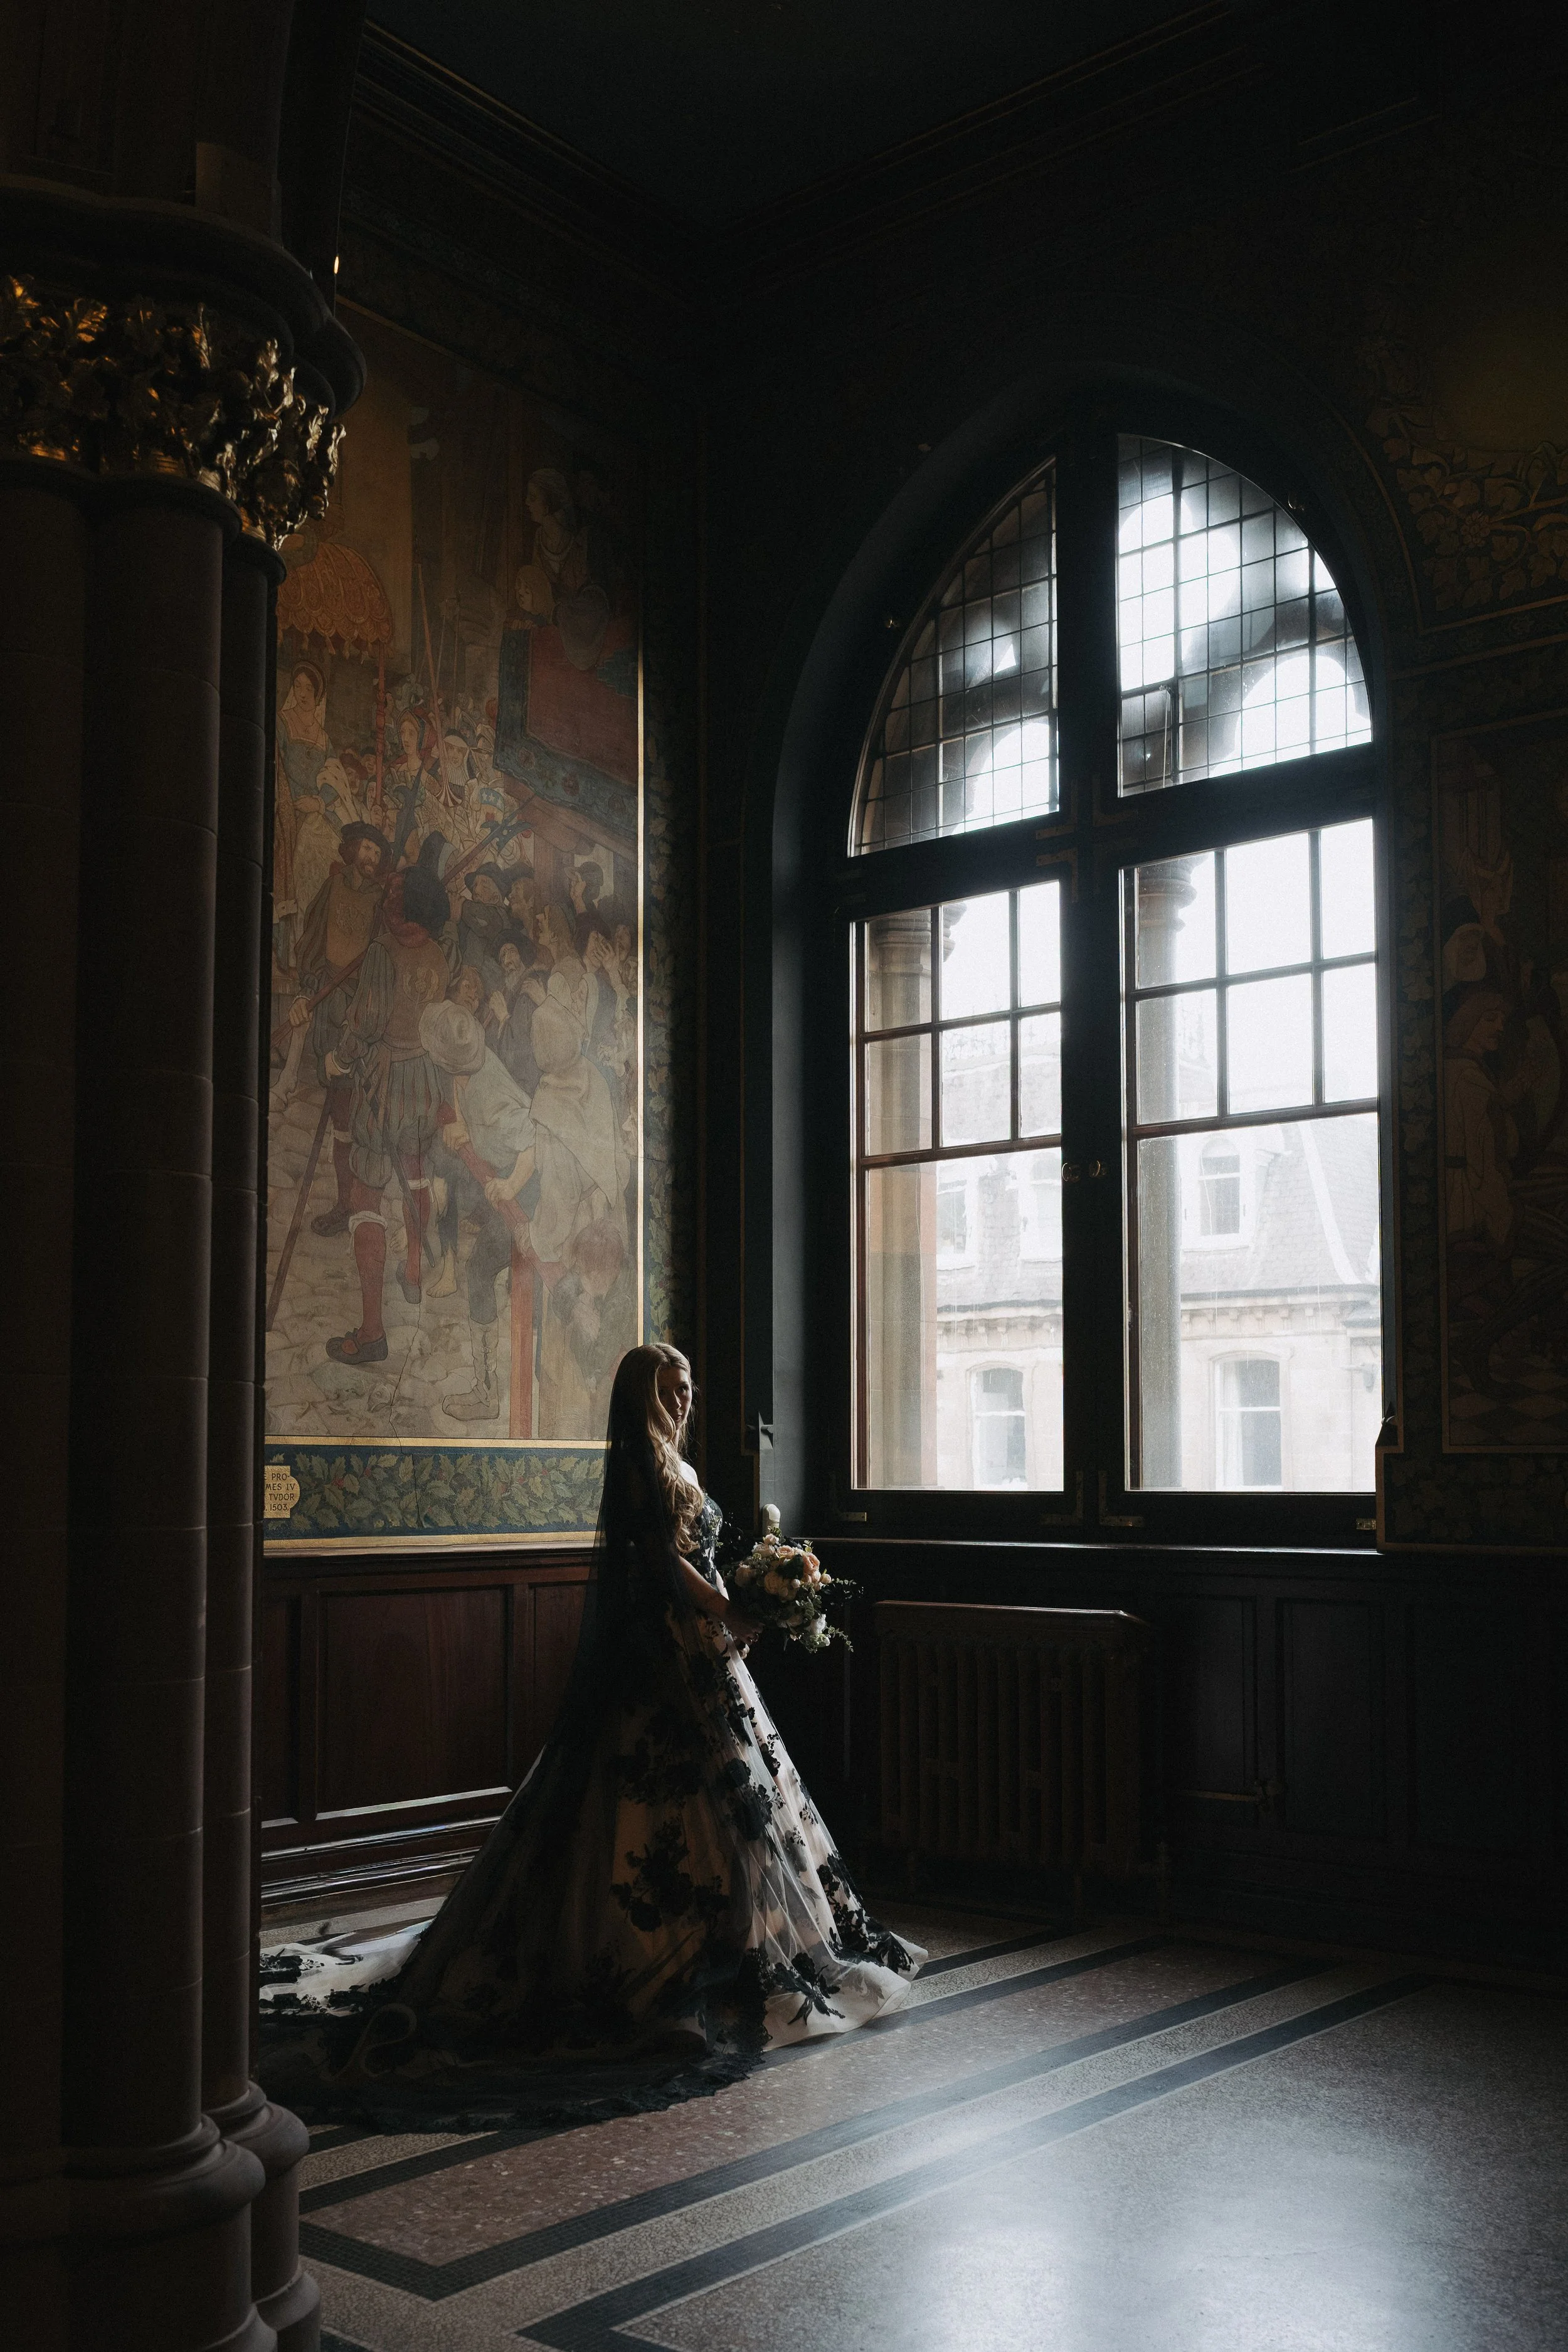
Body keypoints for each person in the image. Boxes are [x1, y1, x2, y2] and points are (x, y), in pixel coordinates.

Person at [258, 1345, 923, 2126]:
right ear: (639, 1396)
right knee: (652, 1798)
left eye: (689, 1389)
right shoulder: (641, 1463)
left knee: (735, 1801)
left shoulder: (676, 1460)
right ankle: (659, 1956)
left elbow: (699, 1555)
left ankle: (733, 1938)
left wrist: (751, 1602)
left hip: (705, 1649)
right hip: (666, 1654)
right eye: (670, 1390)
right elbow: (667, 1562)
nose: (682, 1403)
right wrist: (727, 1611)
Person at [323, 864, 452, 1363]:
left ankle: (373, 1330)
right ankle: (415, 1271)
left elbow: (367, 1022)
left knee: (366, 1196)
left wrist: (339, 1059)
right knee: (417, 1177)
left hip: (385, 1081)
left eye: (397, 893)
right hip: (424, 1078)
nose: (388, 899)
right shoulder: (439, 953)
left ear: (410, 905)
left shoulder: (381, 952)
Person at [420, 999, 536, 1420]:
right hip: (499, 1173)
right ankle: (486, 1390)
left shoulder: (490, 1095)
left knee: (479, 1270)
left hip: (526, 1192)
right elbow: (463, 1105)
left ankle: (487, 1397)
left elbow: (534, 1144)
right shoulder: (468, 1069)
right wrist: (464, 1129)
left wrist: (509, 1186)